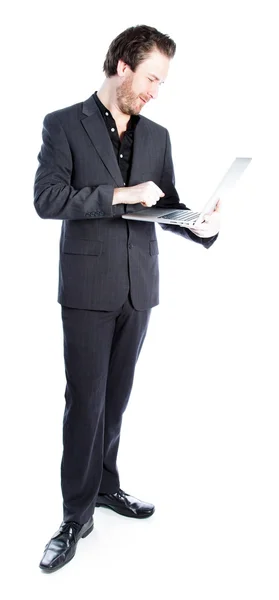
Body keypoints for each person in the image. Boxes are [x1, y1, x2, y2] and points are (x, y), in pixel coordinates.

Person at [34, 24, 220, 573]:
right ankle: (74, 515)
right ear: (122, 65)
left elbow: (166, 205)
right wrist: (120, 194)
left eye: (161, 83)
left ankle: (107, 486)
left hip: (139, 288)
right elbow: (48, 199)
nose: (155, 92)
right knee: (84, 403)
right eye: (151, 79)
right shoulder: (64, 124)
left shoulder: (157, 135)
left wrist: (199, 226)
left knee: (115, 400)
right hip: (88, 291)